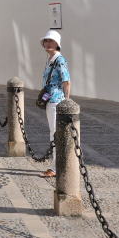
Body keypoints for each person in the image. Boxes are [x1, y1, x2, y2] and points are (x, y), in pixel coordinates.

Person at [39, 30, 70, 178]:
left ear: (57, 44)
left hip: (57, 101)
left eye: (51, 41)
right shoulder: (50, 59)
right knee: (53, 133)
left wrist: (66, 102)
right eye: (46, 41)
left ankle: (56, 167)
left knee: (55, 133)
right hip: (50, 100)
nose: (47, 43)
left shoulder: (59, 60)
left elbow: (66, 81)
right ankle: (57, 165)